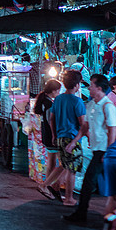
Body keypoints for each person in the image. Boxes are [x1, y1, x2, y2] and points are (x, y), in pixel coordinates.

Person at [68, 74, 116, 225]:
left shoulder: (108, 106)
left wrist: (109, 151)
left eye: (91, 85)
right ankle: (82, 214)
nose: (88, 88)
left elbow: (112, 130)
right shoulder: (91, 105)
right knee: (97, 183)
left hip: (104, 151)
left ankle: (81, 215)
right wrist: (73, 142)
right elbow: (85, 127)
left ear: (99, 88)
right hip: (97, 150)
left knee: (89, 182)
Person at [44, 70, 86, 205]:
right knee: (72, 170)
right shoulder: (78, 102)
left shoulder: (58, 99)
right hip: (72, 139)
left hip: (60, 138)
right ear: (77, 85)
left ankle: (53, 186)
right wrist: (75, 142)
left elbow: (52, 119)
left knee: (65, 166)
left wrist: (54, 136)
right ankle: (69, 198)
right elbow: (83, 125)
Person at [32, 79, 62, 200]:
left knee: (51, 162)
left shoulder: (44, 101)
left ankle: (49, 187)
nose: (59, 93)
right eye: (58, 90)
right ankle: (49, 186)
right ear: (54, 91)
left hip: (46, 136)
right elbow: (51, 121)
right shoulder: (49, 104)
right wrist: (55, 135)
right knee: (63, 163)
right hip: (51, 136)